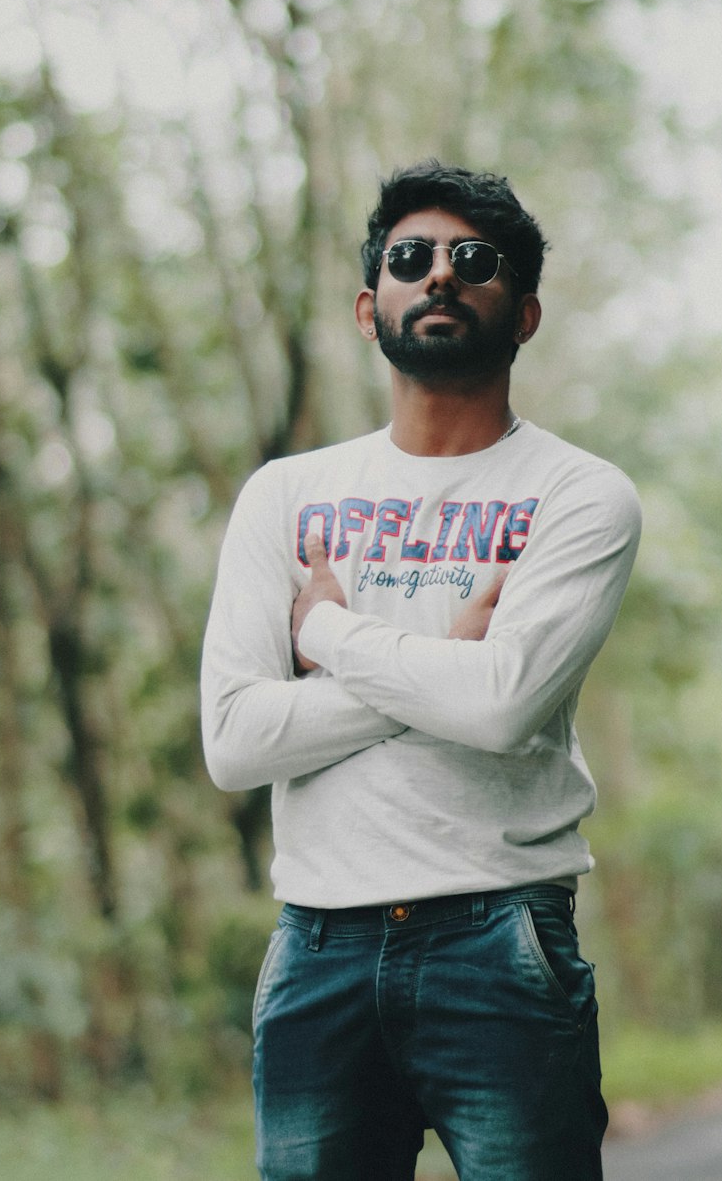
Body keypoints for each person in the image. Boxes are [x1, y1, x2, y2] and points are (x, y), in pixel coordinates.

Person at [201, 162, 641, 1181]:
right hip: (316, 949)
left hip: (502, 940)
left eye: (473, 262)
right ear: (370, 308)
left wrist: (333, 640)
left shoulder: (577, 495)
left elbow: (499, 710)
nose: (439, 277)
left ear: (523, 314)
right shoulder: (285, 495)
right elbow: (234, 741)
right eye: (411, 260)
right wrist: (443, 661)